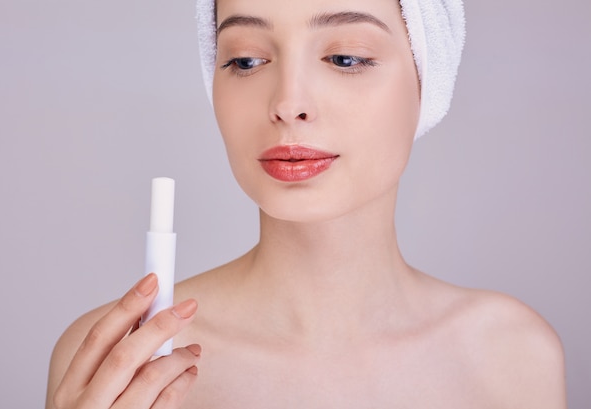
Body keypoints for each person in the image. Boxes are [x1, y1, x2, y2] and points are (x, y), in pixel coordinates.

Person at [46, 0, 567, 407]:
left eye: (345, 58)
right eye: (246, 60)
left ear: (430, 77)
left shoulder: (512, 356)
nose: (287, 103)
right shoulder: (119, 370)